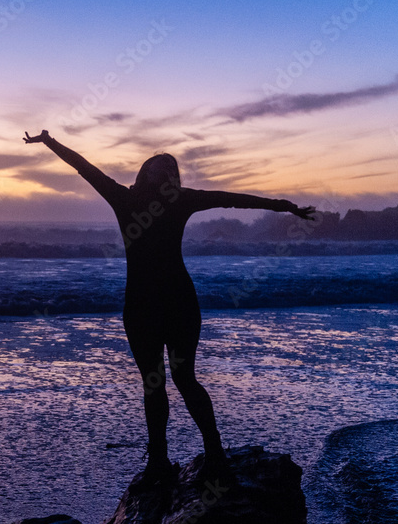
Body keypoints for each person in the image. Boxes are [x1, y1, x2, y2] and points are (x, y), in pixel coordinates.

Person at [23, 129, 315, 482]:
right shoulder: (124, 198)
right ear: (145, 170)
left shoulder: (179, 199)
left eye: (170, 167)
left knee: (184, 378)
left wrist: (284, 207)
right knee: (153, 383)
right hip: (142, 305)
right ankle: (159, 460)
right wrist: (50, 142)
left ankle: (215, 453)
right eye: (159, 165)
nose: (164, 170)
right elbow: (85, 168)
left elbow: (231, 199)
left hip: (177, 303)